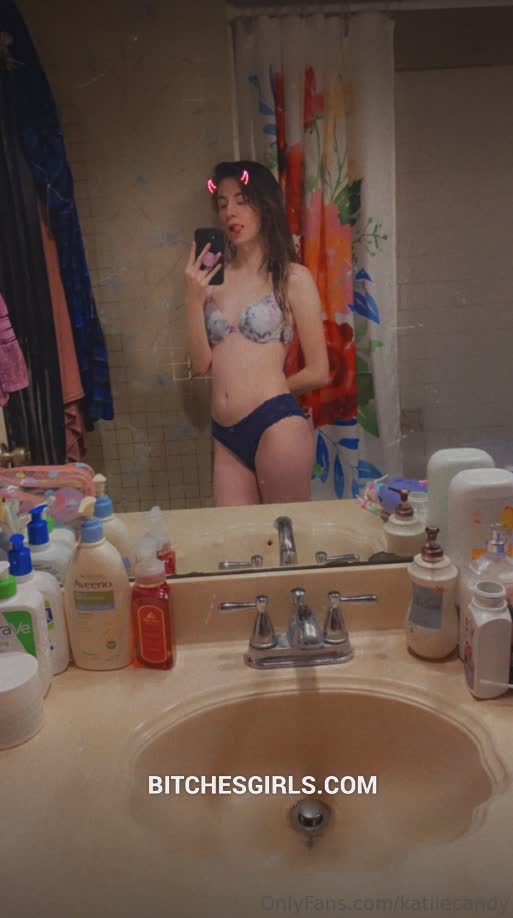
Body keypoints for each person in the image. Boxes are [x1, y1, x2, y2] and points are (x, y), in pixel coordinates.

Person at [184, 160, 329, 507]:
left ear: (265, 205)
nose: (230, 212)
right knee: (235, 538)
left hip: (275, 424)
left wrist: (269, 394)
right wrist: (192, 300)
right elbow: (202, 364)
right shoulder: (212, 282)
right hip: (225, 434)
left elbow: (319, 371)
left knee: (286, 534)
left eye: (242, 200)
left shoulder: (293, 278)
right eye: (222, 204)